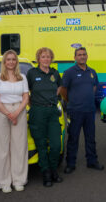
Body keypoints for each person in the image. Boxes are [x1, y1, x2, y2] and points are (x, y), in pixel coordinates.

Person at [0, 50, 29, 193]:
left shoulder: (22, 77)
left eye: (13, 59)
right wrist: (8, 114)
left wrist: (17, 113)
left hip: (19, 110)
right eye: (8, 59)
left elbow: (26, 97)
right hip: (2, 111)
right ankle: (3, 182)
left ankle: (18, 180)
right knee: (1, 148)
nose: (11, 62)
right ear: (4, 62)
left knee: (19, 147)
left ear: (16, 61)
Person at [61, 47, 104, 173]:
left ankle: (92, 161)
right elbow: (63, 89)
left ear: (87, 56)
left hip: (90, 110)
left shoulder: (92, 72)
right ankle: (70, 164)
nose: (82, 56)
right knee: (73, 138)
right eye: (79, 55)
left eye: (84, 54)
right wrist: (72, 101)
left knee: (90, 138)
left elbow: (95, 86)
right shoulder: (69, 72)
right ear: (75, 57)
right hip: (75, 111)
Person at [26, 48, 63, 187]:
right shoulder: (32, 73)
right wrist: (34, 105)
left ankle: (53, 169)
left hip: (52, 111)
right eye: (43, 57)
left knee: (55, 145)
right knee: (41, 145)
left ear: (51, 59)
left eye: (48, 57)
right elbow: (26, 92)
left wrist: (53, 98)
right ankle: (46, 173)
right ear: (38, 59)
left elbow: (59, 87)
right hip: (37, 112)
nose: (46, 59)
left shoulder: (54, 73)